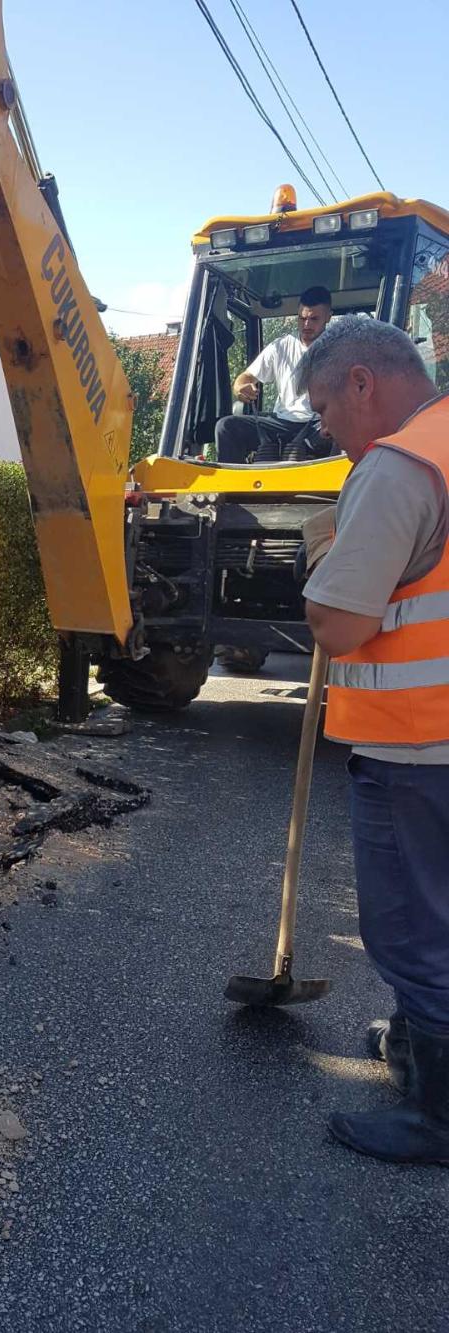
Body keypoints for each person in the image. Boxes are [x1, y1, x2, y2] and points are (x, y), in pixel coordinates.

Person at [297, 317, 449, 1165]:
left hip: (416, 749)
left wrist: (315, 582)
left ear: (363, 382)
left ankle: (437, 1113)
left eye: (324, 407)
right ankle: (415, 1044)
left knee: (411, 930)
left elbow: (343, 624)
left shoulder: (398, 467)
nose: (323, 427)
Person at [215, 286, 333, 463]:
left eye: (314, 319)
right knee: (226, 427)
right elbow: (245, 377)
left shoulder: (339, 349)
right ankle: (232, 489)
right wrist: (240, 387)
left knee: (344, 427)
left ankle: (343, 485)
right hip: (281, 424)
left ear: (328, 317)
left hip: (319, 424)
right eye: (302, 318)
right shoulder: (280, 347)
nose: (306, 325)